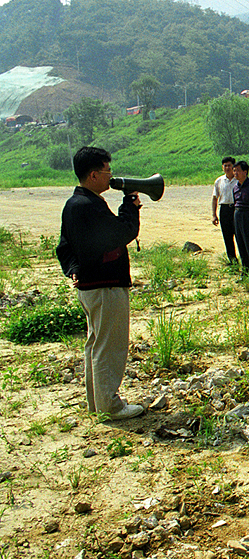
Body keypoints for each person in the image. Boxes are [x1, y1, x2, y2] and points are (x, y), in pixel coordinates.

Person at [56, 146, 144, 420]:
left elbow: (63, 246)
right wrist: (130, 207)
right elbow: (121, 233)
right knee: (110, 346)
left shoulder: (74, 204)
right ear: (93, 175)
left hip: (89, 287)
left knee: (95, 344)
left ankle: (97, 402)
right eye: (107, 171)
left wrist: (73, 269)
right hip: (106, 287)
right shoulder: (90, 206)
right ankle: (111, 406)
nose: (110, 176)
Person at [211, 156, 237, 263]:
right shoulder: (219, 181)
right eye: (225, 166)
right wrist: (214, 214)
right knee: (227, 236)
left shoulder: (238, 180)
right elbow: (214, 198)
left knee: (239, 235)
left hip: (236, 209)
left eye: (229, 165)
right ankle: (232, 260)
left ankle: (246, 260)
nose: (227, 168)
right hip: (224, 210)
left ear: (233, 167)